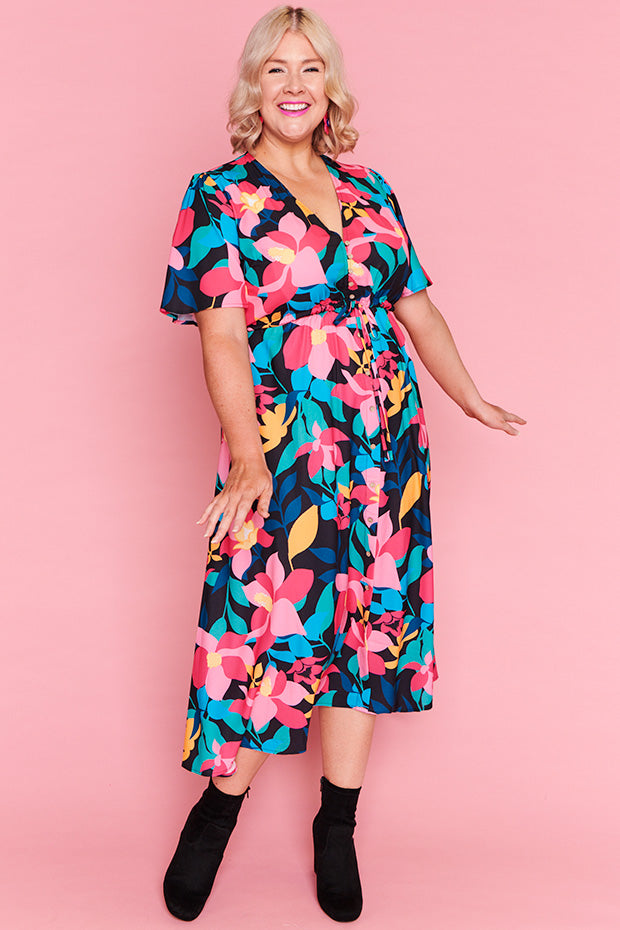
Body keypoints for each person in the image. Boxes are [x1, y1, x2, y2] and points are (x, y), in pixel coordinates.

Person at [157, 4, 526, 923]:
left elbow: (417, 308)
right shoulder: (219, 196)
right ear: (254, 86)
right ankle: (215, 816)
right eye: (276, 69)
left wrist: (469, 397)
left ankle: (337, 829)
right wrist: (248, 460)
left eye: (310, 68)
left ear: (331, 86)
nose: (294, 86)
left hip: (385, 451)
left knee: (368, 626)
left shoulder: (370, 188)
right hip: (285, 452)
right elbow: (223, 337)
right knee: (268, 631)